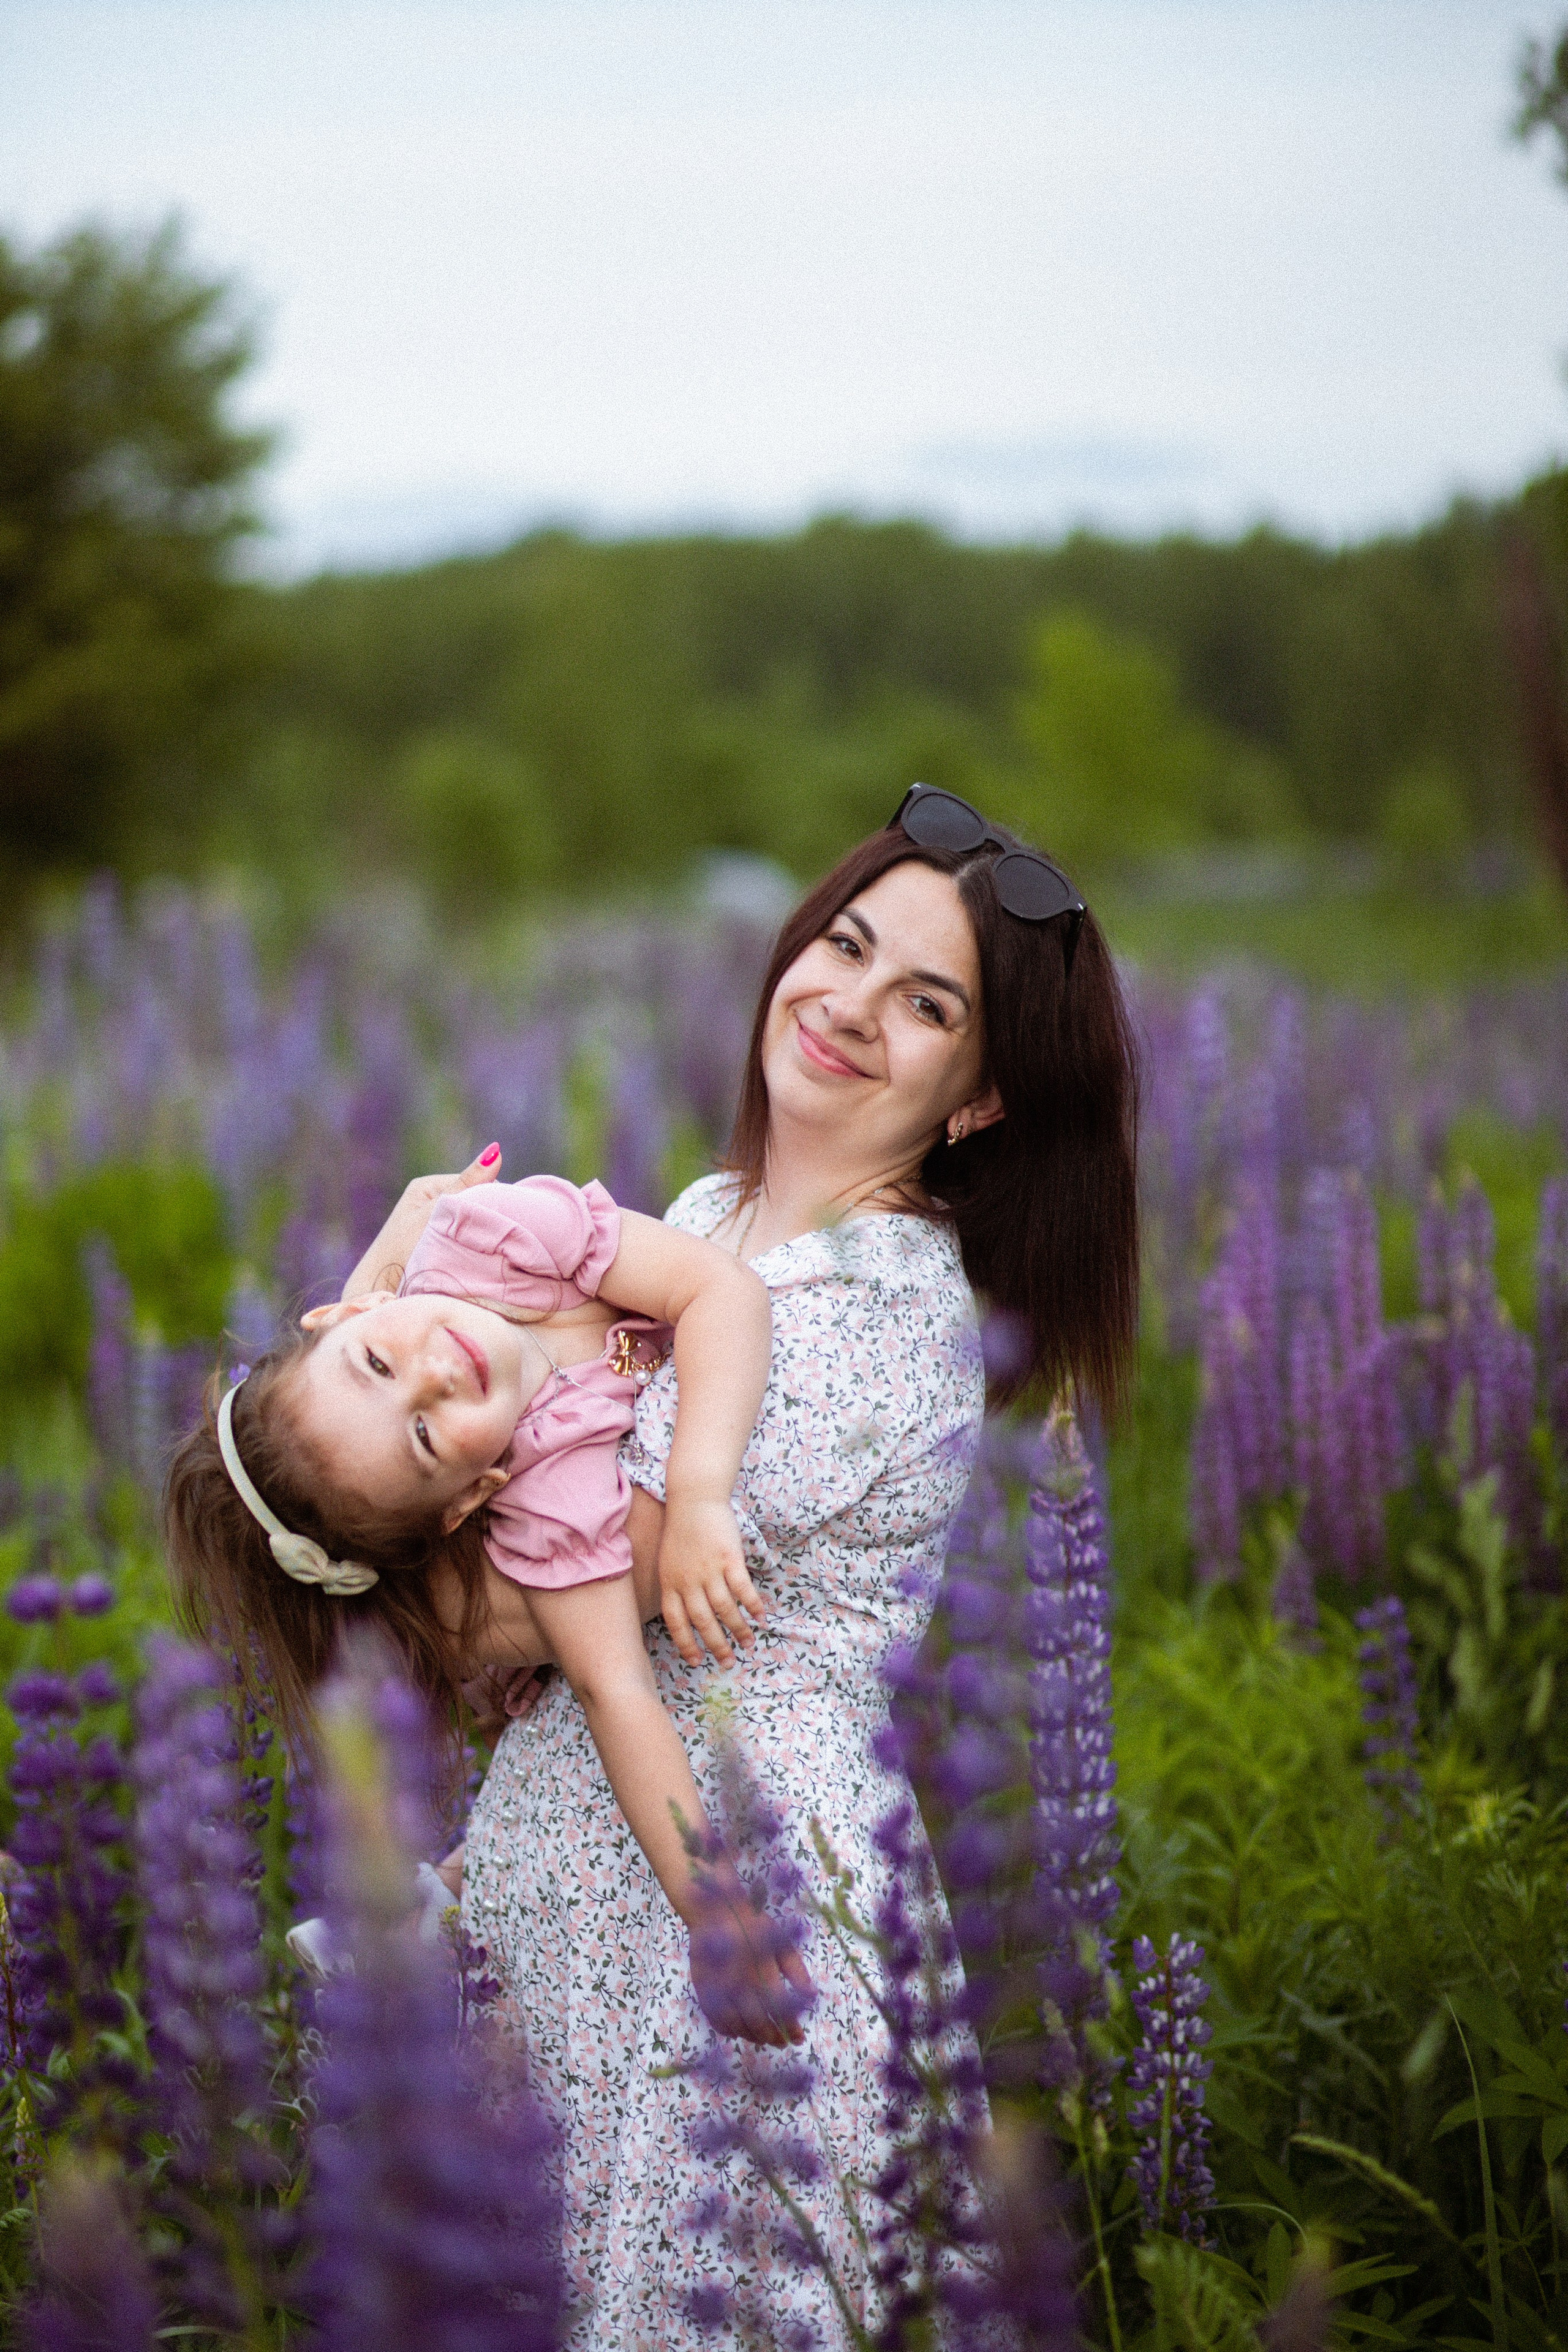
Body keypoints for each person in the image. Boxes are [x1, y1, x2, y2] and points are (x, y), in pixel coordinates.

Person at [457, 787, 1141, 2348]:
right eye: (843, 947)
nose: (848, 1005)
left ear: (979, 1099)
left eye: (926, 1005)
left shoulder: (875, 1308)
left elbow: (539, 1598)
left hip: (730, 1899)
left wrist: (311, 1529)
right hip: (583, 1871)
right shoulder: (713, 1219)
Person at [164, 1158, 804, 2027]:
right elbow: (616, 1695)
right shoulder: (556, 1506)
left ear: (349, 1312)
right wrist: (714, 1912)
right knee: (563, 1710)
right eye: (425, 1437)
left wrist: (697, 1496)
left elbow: (721, 1288)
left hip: (408, 1318)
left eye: (376, 1362)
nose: (433, 1377)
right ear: (470, 1498)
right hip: (533, 1631)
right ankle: (430, 1911)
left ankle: (429, 1902)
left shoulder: (491, 1239)